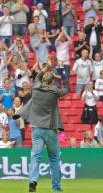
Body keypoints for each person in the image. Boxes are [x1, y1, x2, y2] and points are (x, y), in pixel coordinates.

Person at [13, 58, 69, 192]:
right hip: (50, 129)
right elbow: (67, 88)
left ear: (43, 80)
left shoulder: (35, 87)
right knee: (54, 158)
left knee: (35, 156)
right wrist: (61, 72)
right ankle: (56, 187)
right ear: (51, 82)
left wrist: (46, 68)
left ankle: (32, 181)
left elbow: (37, 76)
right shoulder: (55, 91)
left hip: (36, 128)